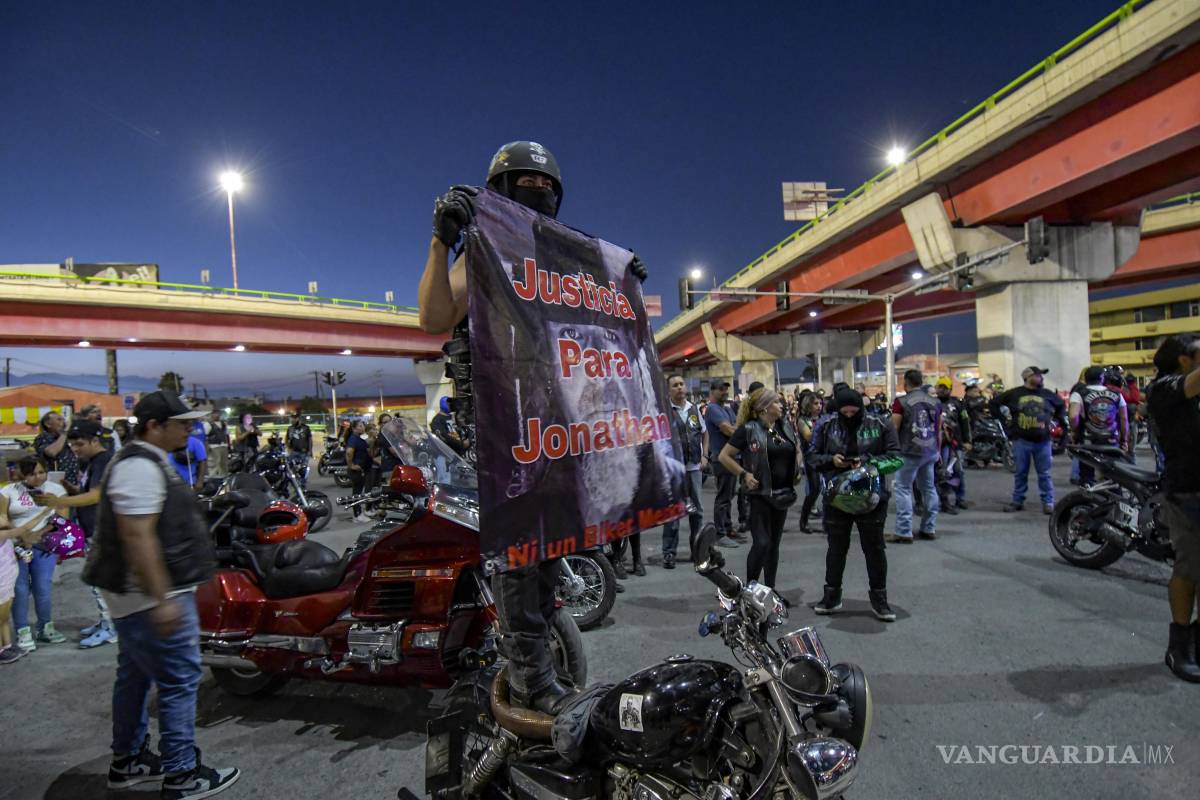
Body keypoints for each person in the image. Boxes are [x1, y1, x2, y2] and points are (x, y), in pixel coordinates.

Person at [417, 140, 647, 715]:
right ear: (497, 192)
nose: (535, 193)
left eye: (544, 186)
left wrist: (624, 284)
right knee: (520, 551)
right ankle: (529, 681)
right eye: (522, 183)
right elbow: (433, 318)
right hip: (506, 432)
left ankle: (541, 669)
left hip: (559, 432)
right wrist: (443, 240)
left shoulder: (564, 259)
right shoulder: (489, 251)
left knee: (548, 551)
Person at [81, 391, 239, 797]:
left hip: (139, 596)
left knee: (134, 677)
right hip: (149, 596)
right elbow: (138, 536)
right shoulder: (138, 466)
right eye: (182, 423)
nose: (190, 428)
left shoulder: (146, 461)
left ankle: (129, 760)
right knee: (179, 680)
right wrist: (163, 598)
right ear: (154, 425)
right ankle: (183, 774)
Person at [809, 386, 902, 621]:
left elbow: (896, 457)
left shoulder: (881, 423)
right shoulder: (826, 425)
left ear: (861, 408)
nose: (849, 417)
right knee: (836, 549)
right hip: (836, 496)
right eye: (845, 413)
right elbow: (811, 457)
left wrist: (868, 463)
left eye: (854, 412)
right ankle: (831, 595)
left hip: (872, 497)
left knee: (874, 549)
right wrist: (832, 460)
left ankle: (879, 598)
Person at [1145, 334, 1200, 682]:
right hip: (1188, 492)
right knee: (1190, 567)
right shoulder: (1164, 388)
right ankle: (1179, 645)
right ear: (1183, 359)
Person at [36, 419, 119, 648]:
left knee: (101, 583)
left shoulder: (103, 460)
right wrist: (69, 488)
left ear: (95, 441)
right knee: (97, 583)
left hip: (103, 532)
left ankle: (111, 628)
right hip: (93, 530)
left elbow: (95, 496)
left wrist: (60, 500)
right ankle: (105, 622)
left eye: (79, 444)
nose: (75, 449)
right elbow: (86, 492)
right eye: (72, 445)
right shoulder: (91, 461)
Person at [718, 388, 801, 592]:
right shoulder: (748, 429)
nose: (781, 405)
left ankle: (770, 592)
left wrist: (798, 468)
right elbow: (724, 456)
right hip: (759, 495)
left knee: (773, 546)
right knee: (762, 543)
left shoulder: (785, 426)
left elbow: (796, 449)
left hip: (782, 494)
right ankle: (751, 591)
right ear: (764, 407)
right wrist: (744, 474)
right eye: (776, 402)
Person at [1, 456, 69, 651]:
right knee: (20, 590)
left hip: (45, 546)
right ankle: (23, 631)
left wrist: (37, 535)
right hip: (15, 547)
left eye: (41, 472)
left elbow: (61, 519)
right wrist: (21, 535)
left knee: (43, 588)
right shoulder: (7, 491)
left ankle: (45, 628)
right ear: (22, 474)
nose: (37, 477)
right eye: (31, 474)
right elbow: (2, 517)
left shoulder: (57, 491)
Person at [994, 367, 1067, 514]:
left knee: (1044, 474)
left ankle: (1048, 502)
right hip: (1021, 440)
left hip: (1043, 440)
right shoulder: (1015, 393)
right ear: (1028, 377)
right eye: (1038, 375)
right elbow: (994, 404)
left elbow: (1061, 406)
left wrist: (1057, 422)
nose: (1041, 378)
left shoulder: (1047, 394)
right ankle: (1017, 501)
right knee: (1021, 472)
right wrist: (1004, 423)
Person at [889, 369, 941, 543]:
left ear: (906, 383)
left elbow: (894, 428)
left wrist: (890, 450)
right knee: (929, 489)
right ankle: (929, 528)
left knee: (903, 488)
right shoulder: (935, 402)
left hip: (909, 451)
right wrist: (938, 450)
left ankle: (904, 531)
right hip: (930, 450)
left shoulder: (901, 402)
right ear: (921, 382)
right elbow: (937, 429)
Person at [661, 375, 706, 568]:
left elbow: (704, 433)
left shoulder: (694, 409)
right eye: (675, 385)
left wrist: (705, 456)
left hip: (694, 468)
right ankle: (669, 553)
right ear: (669, 390)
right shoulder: (664, 412)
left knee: (697, 512)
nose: (679, 388)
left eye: (681, 384)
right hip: (675, 471)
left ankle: (697, 550)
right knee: (674, 513)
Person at [0, 506, 52, 664]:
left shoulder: (5, 537)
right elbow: (24, 528)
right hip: (1, 584)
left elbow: (11, 547)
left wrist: (19, 553)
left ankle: (8, 646)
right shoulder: (2, 533)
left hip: (7, 581)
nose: (4, 516)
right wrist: (44, 512)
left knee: (4, 618)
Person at [1069, 366, 1128, 486]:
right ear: (1102, 378)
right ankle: (1113, 501)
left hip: (1088, 440)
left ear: (1085, 378)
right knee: (1112, 476)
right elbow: (1124, 418)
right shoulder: (1116, 394)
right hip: (1111, 440)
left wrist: (1074, 432)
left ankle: (1088, 501)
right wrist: (1124, 440)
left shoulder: (1079, 393)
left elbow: (1073, 416)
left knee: (1086, 476)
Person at [704, 381, 744, 547]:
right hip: (721, 458)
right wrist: (735, 430)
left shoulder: (727, 409)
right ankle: (720, 534)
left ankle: (727, 528)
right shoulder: (713, 409)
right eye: (721, 389)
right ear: (712, 391)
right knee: (723, 497)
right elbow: (729, 430)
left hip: (731, 458)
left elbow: (737, 428)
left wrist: (735, 430)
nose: (725, 392)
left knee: (729, 495)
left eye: (726, 389)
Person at [933, 377, 972, 513]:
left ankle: (960, 498)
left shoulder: (958, 403)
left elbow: (965, 422)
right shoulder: (931, 403)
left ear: (950, 389)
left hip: (955, 445)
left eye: (945, 387)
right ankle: (943, 501)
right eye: (940, 387)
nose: (942, 390)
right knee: (941, 474)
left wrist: (967, 441)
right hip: (938, 445)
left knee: (958, 471)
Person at [795, 390, 824, 533]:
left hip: (826, 457)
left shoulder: (823, 418)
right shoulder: (803, 421)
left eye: (820, 403)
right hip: (811, 458)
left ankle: (828, 521)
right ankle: (803, 521)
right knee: (814, 490)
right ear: (808, 405)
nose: (819, 406)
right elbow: (809, 437)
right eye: (815, 403)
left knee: (827, 490)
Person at [33, 410, 79, 493]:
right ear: (48, 424)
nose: (64, 422)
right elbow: (52, 452)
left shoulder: (62, 437)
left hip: (71, 483)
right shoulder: (43, 437)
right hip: (56, 485)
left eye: (63, 419)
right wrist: (65, 432)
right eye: (59, 420)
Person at [344, 420, 371, 517]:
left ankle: (359, 513)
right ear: (354, 428)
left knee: (359, 492)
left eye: (363, 425)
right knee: (357, 493)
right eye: (360, 426)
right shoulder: (353, 439)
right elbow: (349, 452)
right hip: (356, 470)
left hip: (362, 469)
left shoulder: (361, 438)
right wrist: (351, 465)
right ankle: (357, 515)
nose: (362, 427)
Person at [169, 423, 207, 491]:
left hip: (189, 483)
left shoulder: (195, 442)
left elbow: (203, 461)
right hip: (170, 483)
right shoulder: (168, 442)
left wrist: (200, 482)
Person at [204, 410, 229, 478]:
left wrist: (228, 445)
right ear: (212, 415)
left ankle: (224, 478)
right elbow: (205, 436)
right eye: (215, 414)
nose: (217, 415)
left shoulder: (223, 424)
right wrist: (207, 447)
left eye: (218, 414)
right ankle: (212, 479)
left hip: (224, 445)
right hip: (214, 446)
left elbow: (226, 434)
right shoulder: (208, 424)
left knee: (224, 464)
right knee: (214, 464)